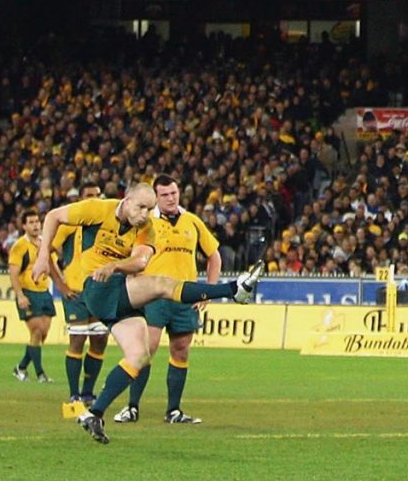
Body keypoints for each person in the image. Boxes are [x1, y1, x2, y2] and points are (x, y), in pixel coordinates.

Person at [46, 184, 259, 444]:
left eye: (149, 209)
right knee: (161, 285)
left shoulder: (146, 228)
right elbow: (53, 216)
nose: (144, 214)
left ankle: (95, 413)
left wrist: (114, 265)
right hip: (95, 287)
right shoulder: (97, 209)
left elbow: (140, 261)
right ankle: (233, 289)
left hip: (114, 287)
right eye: (140, 207)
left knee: (139, 356)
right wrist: (41, 257)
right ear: (126, 200)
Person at [118, 179, 220, 425]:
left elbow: (213, 256)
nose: (171, 198)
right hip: (153, 296)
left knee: (181, 351)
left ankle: (173, 411)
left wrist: (208, 290)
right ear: (156, 197)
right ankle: (131, 407)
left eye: (174, 192)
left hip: (184, 296)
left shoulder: (193, 222)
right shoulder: (145, 222)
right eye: (164, 194)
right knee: (145, 351)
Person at [50, 184, 112, 413]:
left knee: (99, 340)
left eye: (97, 196)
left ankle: (88, 392)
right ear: (80, 199)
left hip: (100, 290)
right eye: (89, 196)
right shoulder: (69, 224)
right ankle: (73, 393)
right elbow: (46, 251)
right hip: (75, 291)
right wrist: (61, 285)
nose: (93, 200)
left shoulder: (107, 223)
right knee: (77, 339)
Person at [6, 223, 55, 385]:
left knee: (43, 333)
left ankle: (20, 367)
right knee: (36, 331)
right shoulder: (20, 245)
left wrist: (64, 285)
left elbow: (52, 267)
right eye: (31, 223)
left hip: (44, 291)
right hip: (28, 292)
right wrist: (20, 295)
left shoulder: (45, 243)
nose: (35, 226)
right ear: (24, 226)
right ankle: (41, 374)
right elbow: (13, 273)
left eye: (37, 222)